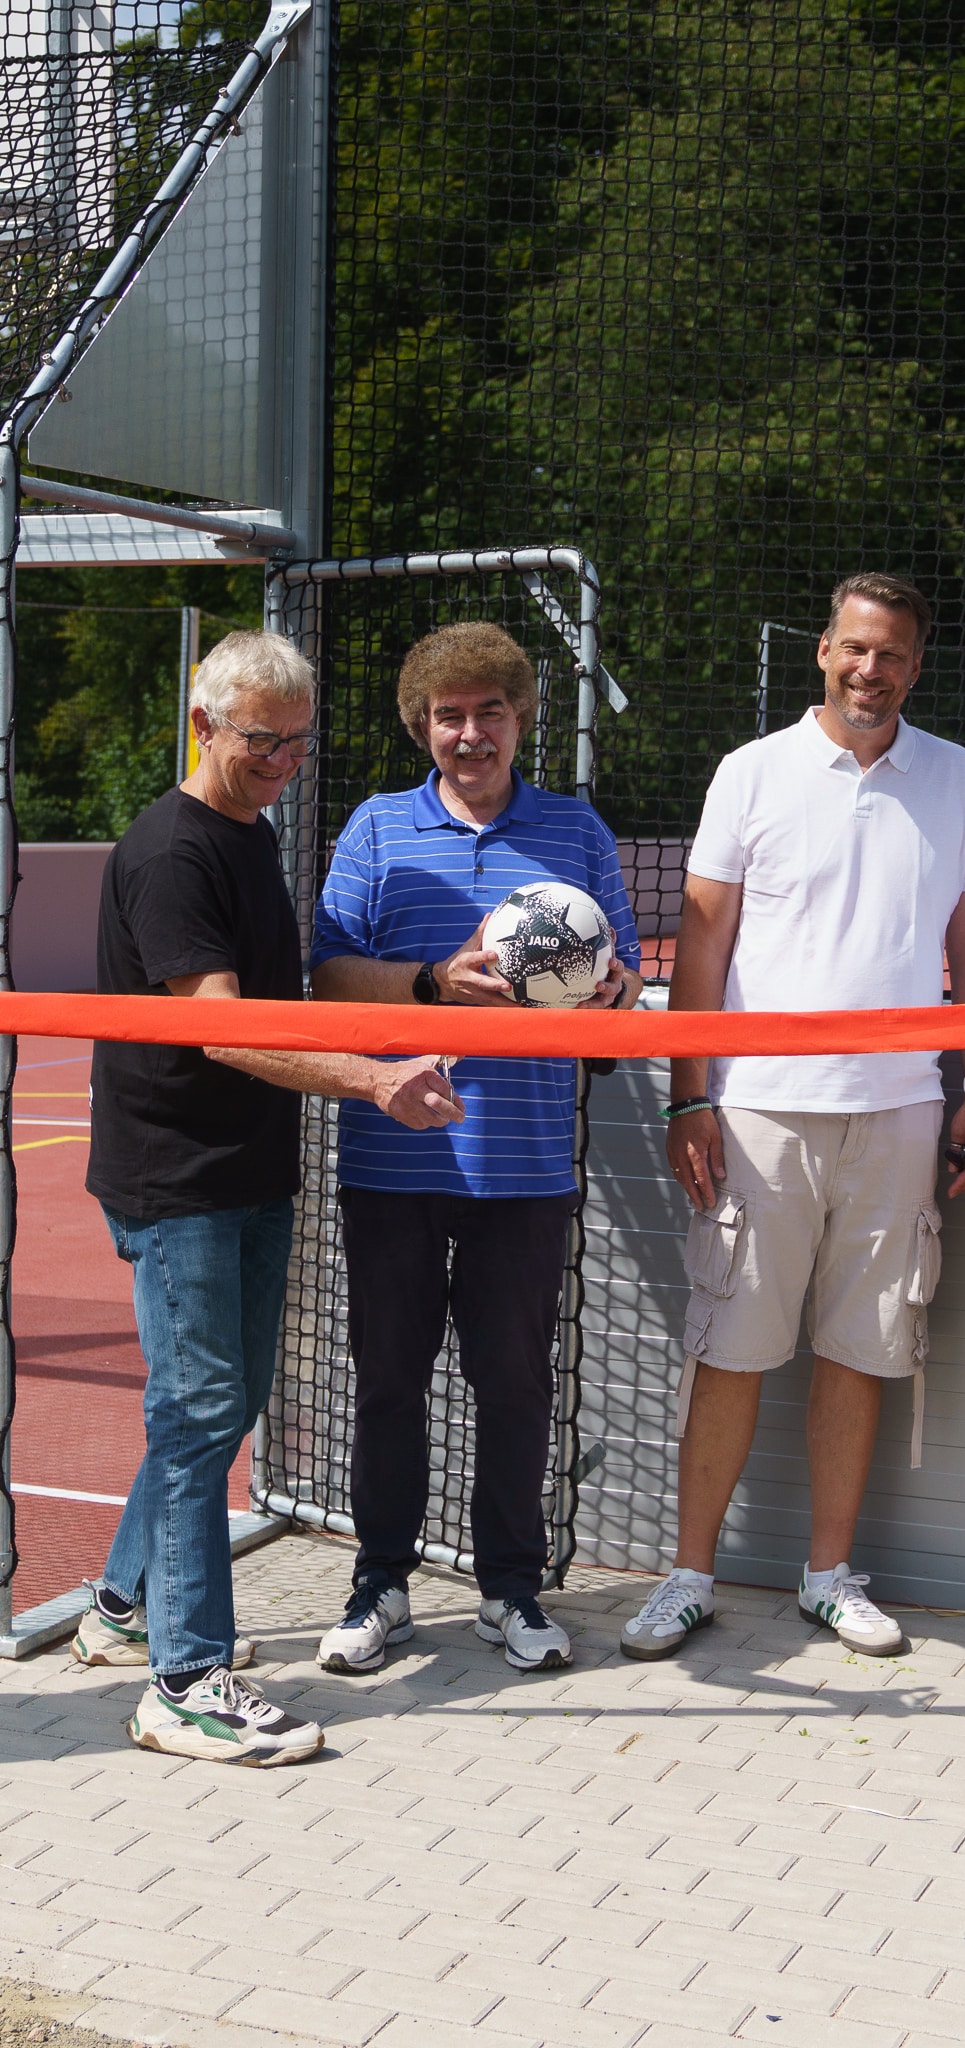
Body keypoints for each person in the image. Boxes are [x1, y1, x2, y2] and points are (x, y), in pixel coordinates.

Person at [74, 631, 462, 1765]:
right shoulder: (170, 852)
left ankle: (117, 1608)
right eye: (261, 740)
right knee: (196, 1414)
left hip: (247, 1173)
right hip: (176, 1177)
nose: (283, 760)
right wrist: (374, 1078)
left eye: (297, 741)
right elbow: (225, 1023)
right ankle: (184, 1680)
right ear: (203, 726)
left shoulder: (250, 834)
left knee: (217, 1406)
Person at [620, 571, 965, 1663]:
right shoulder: (751, 772)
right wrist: (690, 1091)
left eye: (891, 654)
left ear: (914, 667)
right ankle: (687, 1575)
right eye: (853, 648)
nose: (869, 670)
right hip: (757, 1114)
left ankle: (828, 1575)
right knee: (731, 1348)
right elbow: (701, 945)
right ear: (821, 652)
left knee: (861, 1350)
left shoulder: (958, 776)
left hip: (898, 1112)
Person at [309, 622, 642, 1677]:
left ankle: (510, 1586)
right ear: (423, 724)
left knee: (514, 1384)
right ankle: (381, 1581)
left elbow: (622, 985)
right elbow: (326, 979)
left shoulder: (576, 831)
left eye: (488, 710)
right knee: (388, 1380)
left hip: (526, 1163)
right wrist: (429, 984)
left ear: (519, 716)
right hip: (392, 1161)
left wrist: (611, 992)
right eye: (448, 715)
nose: (469, 732)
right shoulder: (373, 828)